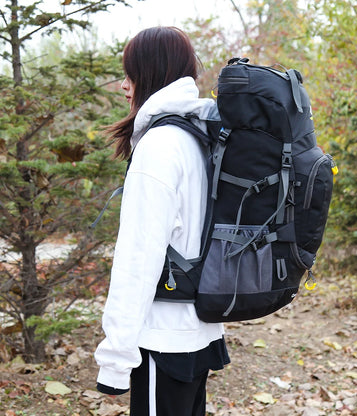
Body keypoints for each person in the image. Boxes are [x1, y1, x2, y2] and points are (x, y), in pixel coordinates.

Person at [94, 26, 229, 416]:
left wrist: (116, 359)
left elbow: (139, 258)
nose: (123, 85)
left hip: (163, 340)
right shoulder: (197, 136)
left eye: (129, 73)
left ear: (150, 73)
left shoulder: (158, 147)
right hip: (197, 330)